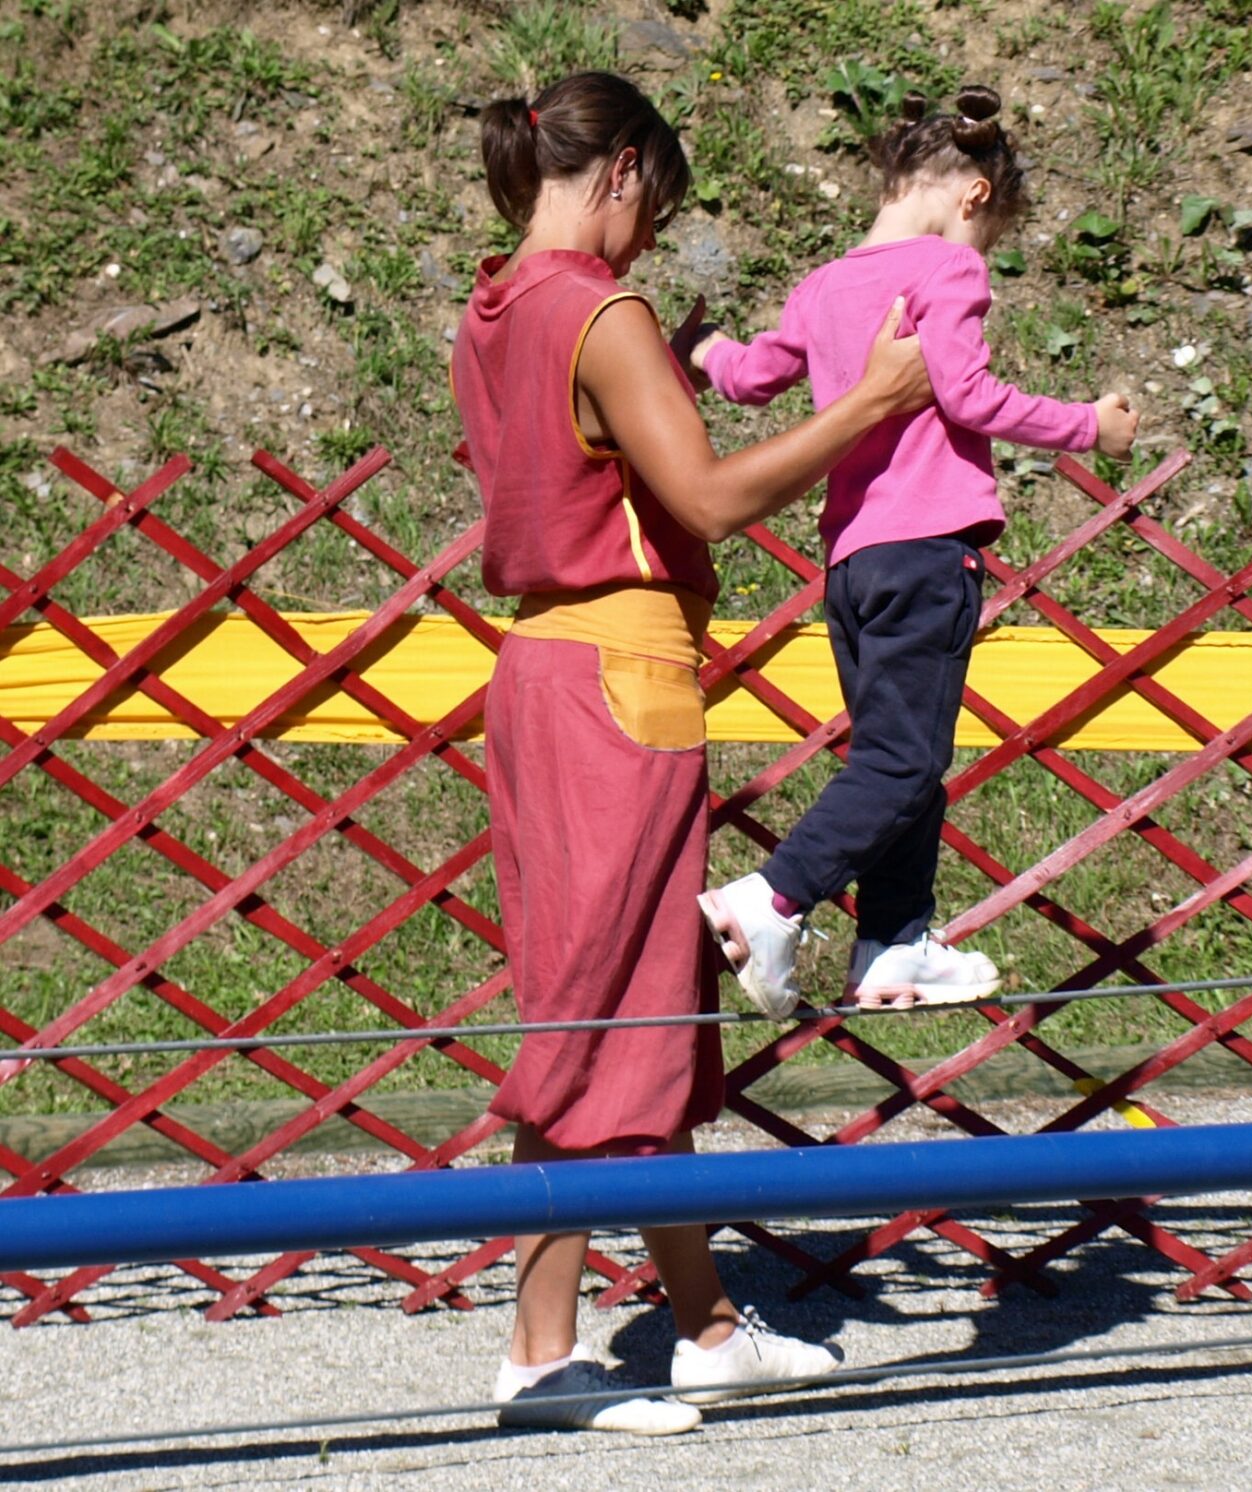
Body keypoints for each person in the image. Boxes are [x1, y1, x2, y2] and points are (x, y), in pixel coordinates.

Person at [449, 71, 934, 1436]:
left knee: (638, 1001)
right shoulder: (602, 313)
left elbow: (574, 461)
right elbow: (709, 498)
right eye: (652, 208)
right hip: (618, 684)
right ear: (618, 176)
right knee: (601, 1013)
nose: (651, 239)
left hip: (541, 672)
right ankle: (542, 1359)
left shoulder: (493, 310)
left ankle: (708, 1329)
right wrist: (871, 402)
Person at [691, 86, 1140, 1017]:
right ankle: (771, 900)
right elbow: (968, 397)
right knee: (901, 763)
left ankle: (893, 942)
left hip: (852, 565)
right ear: (974, 195)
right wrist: (1087, 426)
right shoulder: (949, 272)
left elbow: (748, 379)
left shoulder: (820, 286)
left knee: (902, 760)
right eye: (992, 232)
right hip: (927, 552)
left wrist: (698, 351)